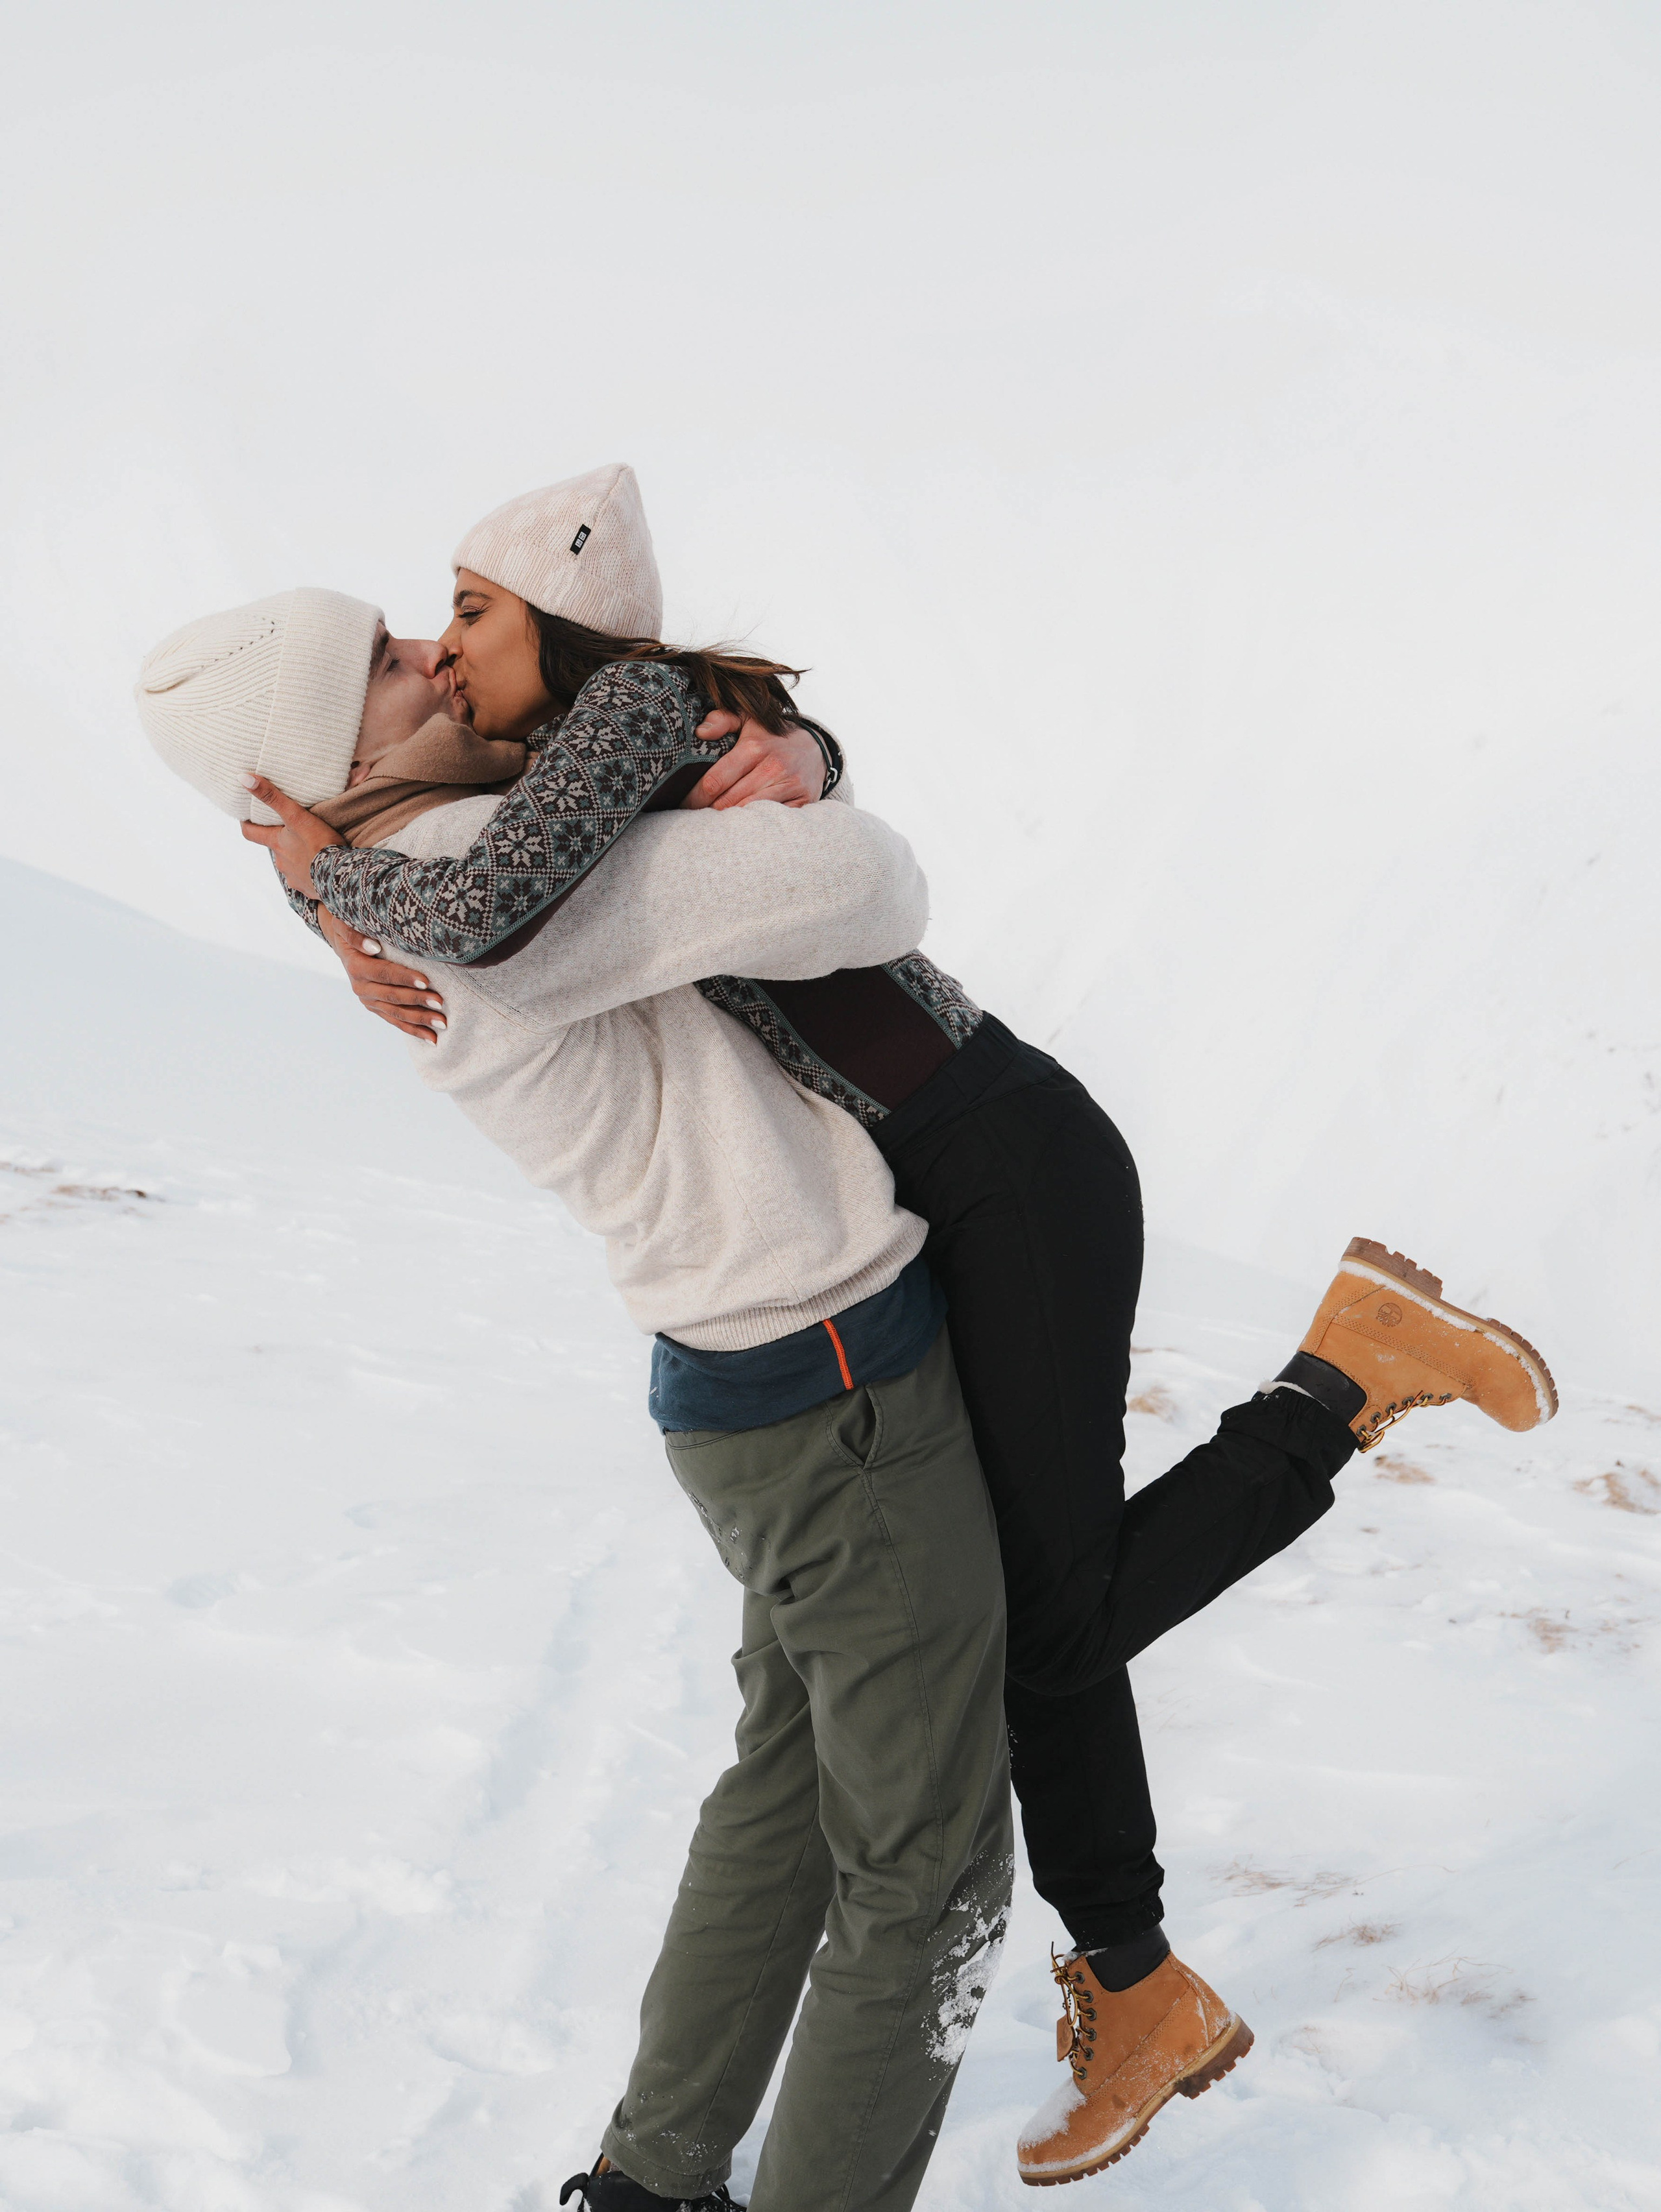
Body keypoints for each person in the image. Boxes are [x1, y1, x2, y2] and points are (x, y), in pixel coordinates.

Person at [247, 462, 1560, 2189]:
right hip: (941, 1174)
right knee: (1023, 1620)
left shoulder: (639, 714)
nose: (442, 643)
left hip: (999, 1153)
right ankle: (1139, 1980)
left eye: (470, 614)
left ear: (558, 628)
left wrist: (341, 885)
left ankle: (1342, 1380)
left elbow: (504, 896)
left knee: (1035, 1625)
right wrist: (331, 887)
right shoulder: (568, 767)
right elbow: (483, 858)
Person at [136, 585, 1015, 2212]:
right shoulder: (496, 879)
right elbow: (852, 881)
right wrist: (802, 774)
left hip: (743, 1379)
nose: (434, 651)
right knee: (930, 1868)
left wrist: (320, 885)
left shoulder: (421, 882)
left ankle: (649, 2176)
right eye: (392, 668)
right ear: (335, 758)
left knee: (795, 1789)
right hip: (831, 1367)